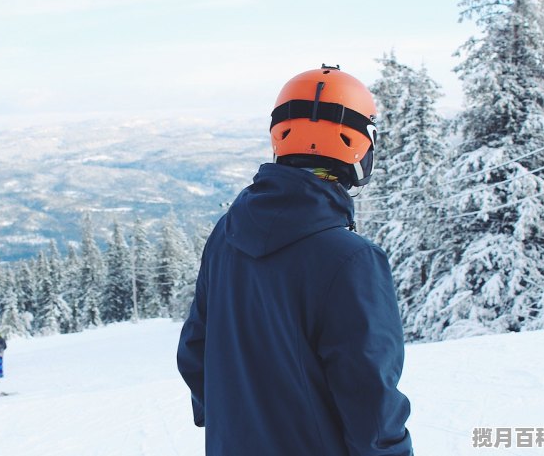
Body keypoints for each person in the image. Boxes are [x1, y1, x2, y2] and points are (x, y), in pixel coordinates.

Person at [177, 65, 413, 455]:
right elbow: (371, 401)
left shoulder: (226, 232)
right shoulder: (353, 260)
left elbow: (195, 349)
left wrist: (231, 423)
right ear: (358, 144)